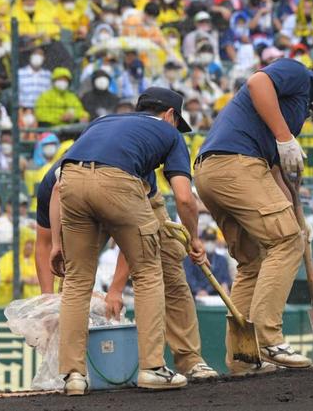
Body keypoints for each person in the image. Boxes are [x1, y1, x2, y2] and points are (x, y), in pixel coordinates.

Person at [194, 56, 313, 374]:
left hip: (214, 172)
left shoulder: (297, 110)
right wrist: (286, 137)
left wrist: (295, 215)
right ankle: (268, 337)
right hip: (237, 165)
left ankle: (243, 360)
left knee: (252, 264)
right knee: (287, 242)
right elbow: (258, 82)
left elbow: (273, 171)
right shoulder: (298, 74)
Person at [53, 87, 207, 395]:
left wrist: (58, 242)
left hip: (69, 179)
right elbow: (184, 198)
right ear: (170, 116)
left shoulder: (103, 122)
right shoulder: (170, 133)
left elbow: (59, 180)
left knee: (77, 281)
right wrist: (193, 238)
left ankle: (73, 376)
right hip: (118, 181)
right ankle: (152, 368)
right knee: (149, 272)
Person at [183, 226, 232, 297]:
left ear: (216, 241)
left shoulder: (222, 259)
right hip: (195, 296)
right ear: (201, 241)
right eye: (207, 240)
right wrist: (198, 290)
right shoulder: (191, 258)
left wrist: (225, 284)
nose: (210, 243)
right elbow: (189, 278)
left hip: (216, 296)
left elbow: (226, 278)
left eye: (212, 240)